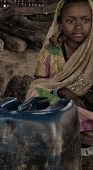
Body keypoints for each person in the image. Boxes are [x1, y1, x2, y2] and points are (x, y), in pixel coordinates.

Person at [26, 0, 93, 146]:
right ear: (60, 24)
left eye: (86, 20)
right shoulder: (51, 52)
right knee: (35, 95)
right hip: (61, 105)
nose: (78, 26)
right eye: (70, 20)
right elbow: (39, 85)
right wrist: (63, 91)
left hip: (88, 106)